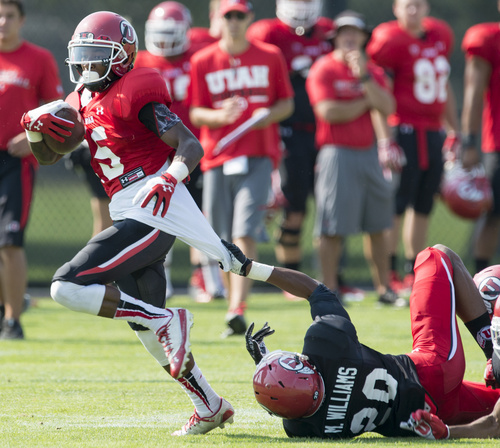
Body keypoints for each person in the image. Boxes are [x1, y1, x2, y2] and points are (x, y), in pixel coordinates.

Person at [21, 11, 236, 435]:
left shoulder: (136, 91)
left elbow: (190, 145)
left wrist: (169, 179)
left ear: (122, 58)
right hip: (126, 211)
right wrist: (34, 130)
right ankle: (209, 404)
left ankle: (165, 321)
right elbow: (48, 156)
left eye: (95, 57)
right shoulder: (81, 97)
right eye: (81, 58)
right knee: (145, 325)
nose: (86, 67)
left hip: (151, 211)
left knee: (65, 285)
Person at [221, 239, 500, 439]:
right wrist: (249, 268)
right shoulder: (327, 344)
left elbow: (290, 399)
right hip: (433, 368)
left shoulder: (303, 428)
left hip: (422, 418)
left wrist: (266, 367)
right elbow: (316, 291)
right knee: (437, 255)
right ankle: (494, 355)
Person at [189, 0, 294, 336]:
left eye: (239, 15)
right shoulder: (203, 60)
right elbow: (195, 112)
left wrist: (268, 114)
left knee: (245, 230)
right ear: (219, 19)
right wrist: (221, 117)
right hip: (218, 156)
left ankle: (238, 305)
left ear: (249, 17)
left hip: (258, 155)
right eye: (227, 16)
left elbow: (286, 103)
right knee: (219, 237)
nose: (233, 22)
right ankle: (231, 302)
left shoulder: (269, 55)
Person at [305, 10, 401, 305]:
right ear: (335, 37)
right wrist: (365, 101)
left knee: (378, 225)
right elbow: (328, 112)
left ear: (363, 37)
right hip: (337, 153)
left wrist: (362, 77)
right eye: (344, 32)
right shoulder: (323, 68)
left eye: (355, 32)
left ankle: (384, 288)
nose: (350, 37)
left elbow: (387, 106)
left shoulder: (372, 71)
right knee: (332, 227)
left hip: (369, 153)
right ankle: (329, 290)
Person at [366, 0, 460, 294]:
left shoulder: (440, 34)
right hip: (404, 130)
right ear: (395, 8)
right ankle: (390, 270)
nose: (413, 10)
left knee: (423, 204)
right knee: (397, 204)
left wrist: (454, 130)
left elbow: (444, 87)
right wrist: (385, 138)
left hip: (432, 130)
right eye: (407, 4)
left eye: (418, 4)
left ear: (427, 7)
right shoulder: (389, 39)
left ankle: (412, 269)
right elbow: (379, 94)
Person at [134, 1, 225, 302]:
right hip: (155, 153)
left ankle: (210, 280)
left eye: (171, 32)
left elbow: (222, 38)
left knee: (202, 216)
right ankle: (164, 280)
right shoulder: (140, 61)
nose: (165, 39)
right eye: (160, 32)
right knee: (158, 215)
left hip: (194, 150)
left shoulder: (199, 51)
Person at [246, 0, 333, 295]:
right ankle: (292, 282)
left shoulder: (327, 32)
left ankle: (333, 277)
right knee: (293, 209)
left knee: (327, 210)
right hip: (288, 131)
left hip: (324, 132)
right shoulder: (268, 33)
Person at [0, 0, 63, 340]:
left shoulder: (38, 59)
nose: (2, 21)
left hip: (14, 162)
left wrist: (31, 136)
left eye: (10, 15)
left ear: (21, 20)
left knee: (10, 241)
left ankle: (13, 321)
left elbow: (57, 111)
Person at [461, 1, 500, 275]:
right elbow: (473, 94)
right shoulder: (487, 38)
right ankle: (481, 283)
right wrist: (468, 142)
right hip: (497, 144)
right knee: (494, 215)